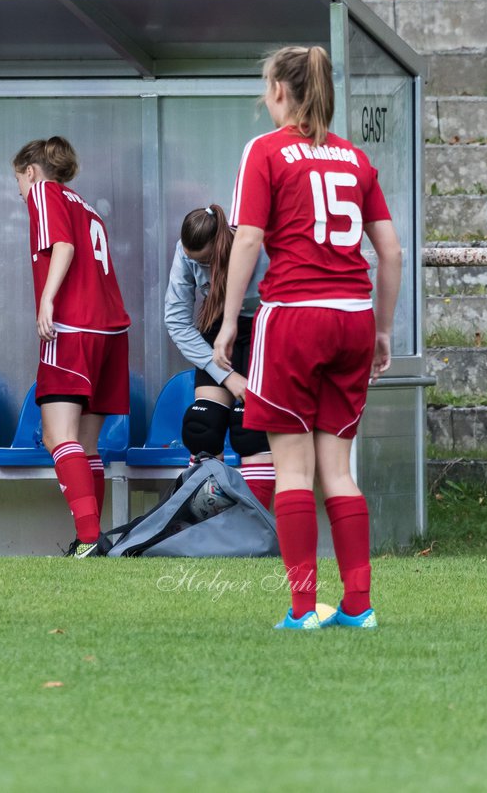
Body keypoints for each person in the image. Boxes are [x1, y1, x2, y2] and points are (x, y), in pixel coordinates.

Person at [214, 45, 402, 629]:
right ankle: (358, 607)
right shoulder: (353, 157)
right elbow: (390, 252)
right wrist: (384, 329)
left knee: (291, 470)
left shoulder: (266, 151)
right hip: (353, 316)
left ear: (279, 92)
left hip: (294, 316)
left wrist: (226, 323)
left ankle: (302, 610)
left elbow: (247, 239)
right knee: (338, 471)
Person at [13, 137, 131, 558]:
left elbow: (62, 245)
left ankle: (87, 536)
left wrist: (46, 298)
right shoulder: (85, 204)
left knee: (56, 436)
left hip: (72, 327)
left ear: (30, 171)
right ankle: (92, 541)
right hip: (111, 331)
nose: (22, 194)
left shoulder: (44, 191)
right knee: (86, 443)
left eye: (19, 183)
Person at [164, 204, 275, 509]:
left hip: (263, 325)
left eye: (203, 262)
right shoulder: (185, 253)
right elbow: (176, 321)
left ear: (219, 248)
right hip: (218, 326)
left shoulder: (258, 248)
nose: (196, 266)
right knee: (201, 427)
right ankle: (212, 523)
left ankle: (256, 522)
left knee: (250, 428)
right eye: (191, 259)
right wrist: (228, 376)